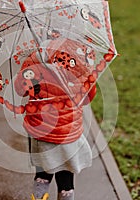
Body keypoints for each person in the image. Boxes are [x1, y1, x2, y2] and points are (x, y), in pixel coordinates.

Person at [14, 39, 97, 200]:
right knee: (66, 176)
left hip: (41, 130)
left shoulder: (34, 58)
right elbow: (88, 97)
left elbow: (20, 90)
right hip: (68, 131)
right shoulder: (79, 59)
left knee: (42, 174)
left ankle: (38, 197)